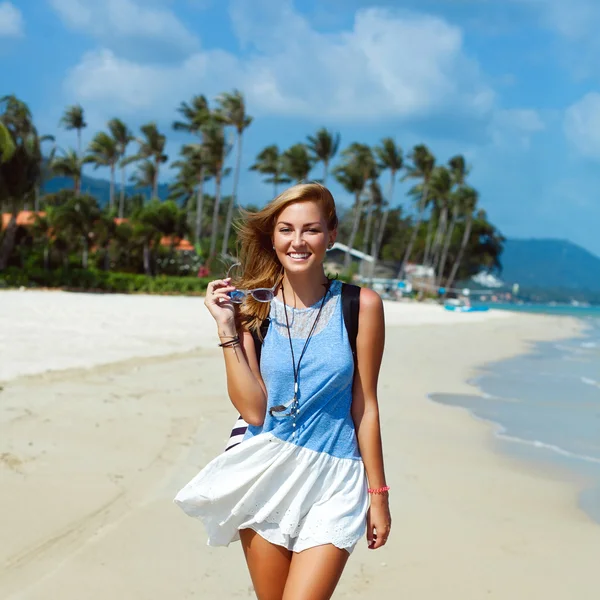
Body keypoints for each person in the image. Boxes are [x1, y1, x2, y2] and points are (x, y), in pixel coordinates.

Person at [175, 183, 391, 600]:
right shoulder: (252, 310)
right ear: (272, 236)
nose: (297, 241)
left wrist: (377, 494)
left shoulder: (360, 305)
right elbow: (254, 411)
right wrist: (226, 329)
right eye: (286, 230)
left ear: (331, 235)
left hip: (335, 478)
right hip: (267, 471)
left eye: (310, 230)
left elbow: (366, 407)